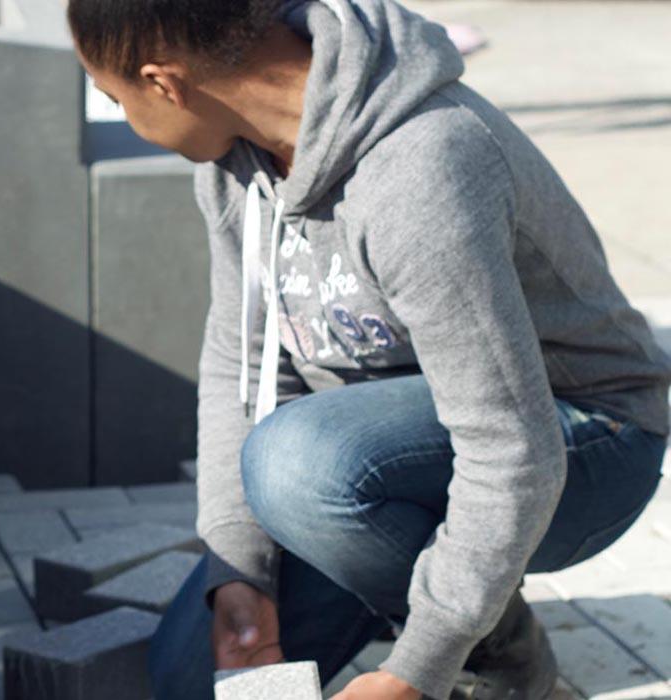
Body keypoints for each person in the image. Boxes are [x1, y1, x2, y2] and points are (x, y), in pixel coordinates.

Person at [65, 0, 671, 698]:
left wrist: (420, 665)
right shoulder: (235, 160)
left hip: (584, 443)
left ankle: (500, 655)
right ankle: (442, 592)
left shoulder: (421, 170)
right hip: (373, 461)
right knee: (193, 680)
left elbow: (513, 450)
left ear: (165, 83)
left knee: (298, 462)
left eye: (115, 97)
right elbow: (243, 363)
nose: (127, 117)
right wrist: (239, 570)